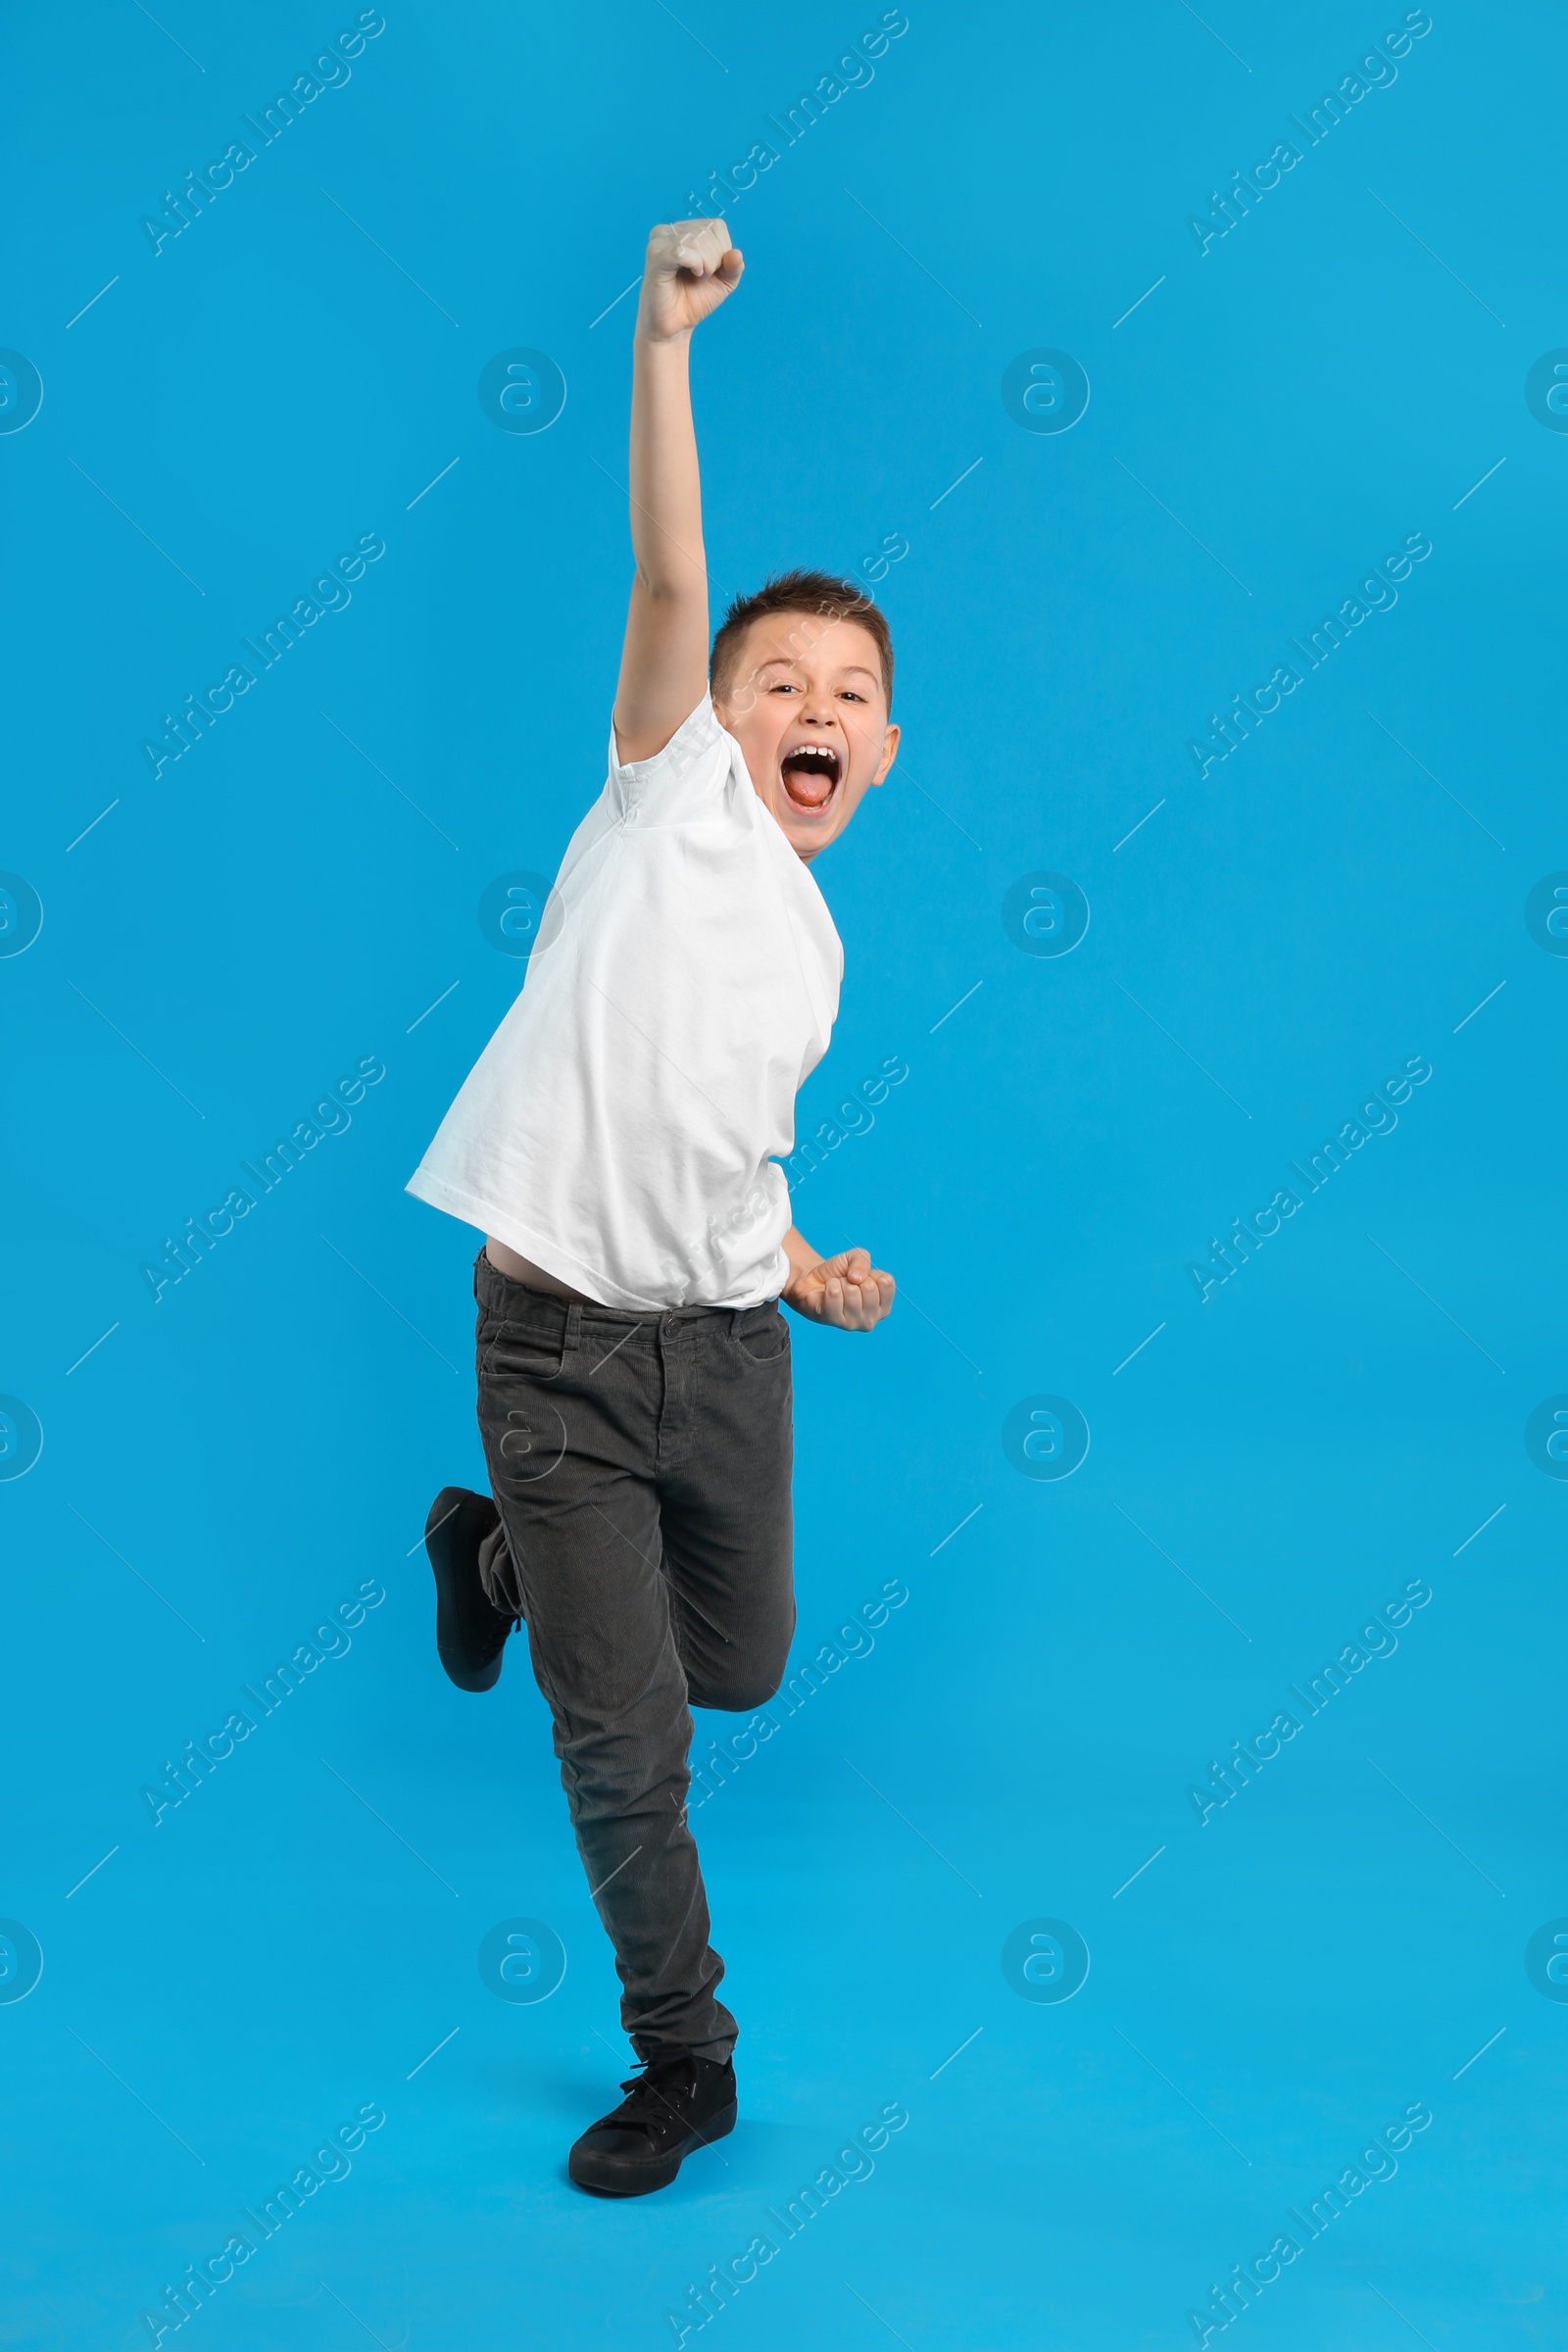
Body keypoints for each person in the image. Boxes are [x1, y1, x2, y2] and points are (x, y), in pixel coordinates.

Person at [405, 219, 898, 2196]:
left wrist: (802, 1265)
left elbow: (712, 1142)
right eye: (774, 679)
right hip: (558, 1351)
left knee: (745, 1661)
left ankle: (500, 1559)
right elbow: (674, 567)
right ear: (711, 711)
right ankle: (680, 2060)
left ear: (874, 751)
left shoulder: (815, 947)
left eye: (843, 694)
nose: (807, 704)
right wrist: (658, 339)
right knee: (629, 1746)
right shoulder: (660, 790)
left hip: (730, 1350)